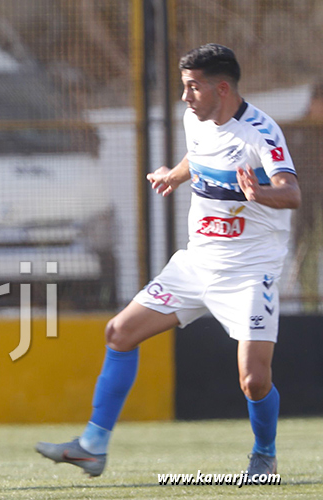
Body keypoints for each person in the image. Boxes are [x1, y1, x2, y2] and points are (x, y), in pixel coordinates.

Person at [36, 43, 300, 479]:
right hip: (197, 265)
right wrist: (174, 175)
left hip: (251, 272)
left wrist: (260, 194)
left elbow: (291, 192)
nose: (185, 96)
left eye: (193, 87)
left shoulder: (261, 133)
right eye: (183, 86)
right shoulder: (194, 119)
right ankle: (92, 447)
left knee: (254, 381)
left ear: (221, 88)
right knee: (119, 332)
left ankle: (264, 454)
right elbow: (198, 156)